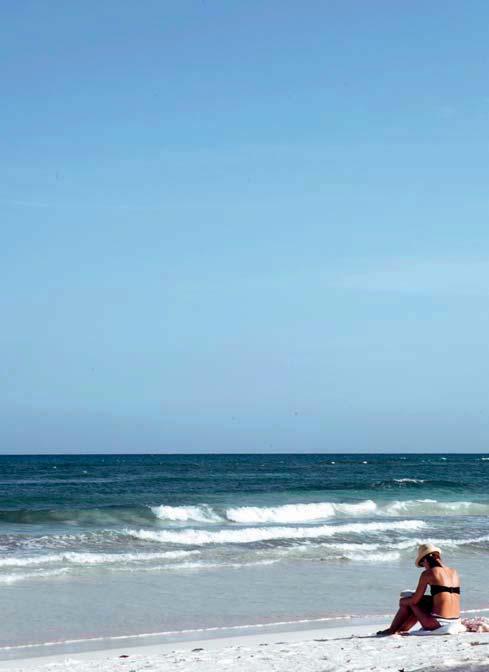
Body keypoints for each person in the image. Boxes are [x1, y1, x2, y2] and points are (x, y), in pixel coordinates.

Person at [376, 543, 461, 636]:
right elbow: (444, 594)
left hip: (438, 623)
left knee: (406, 602)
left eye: (422, 563)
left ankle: (392, 630)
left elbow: (414, 601)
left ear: (425, 560)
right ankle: (399, 629)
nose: (423, 566)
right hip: (456, 621)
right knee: (424, 600)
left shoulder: (428, 573)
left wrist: (407, 599)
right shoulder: (454, 572)